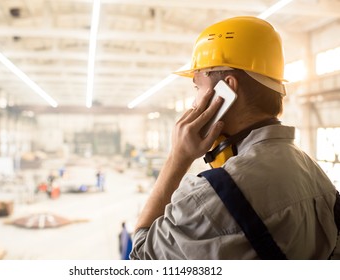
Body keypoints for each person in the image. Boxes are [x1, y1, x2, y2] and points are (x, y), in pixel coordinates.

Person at [130, 16, 340, 260]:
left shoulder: (212, 196)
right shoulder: (315, 175)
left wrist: (178, 158)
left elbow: (141, 257)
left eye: (197, 87)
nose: (194, 103)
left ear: (227, 89)